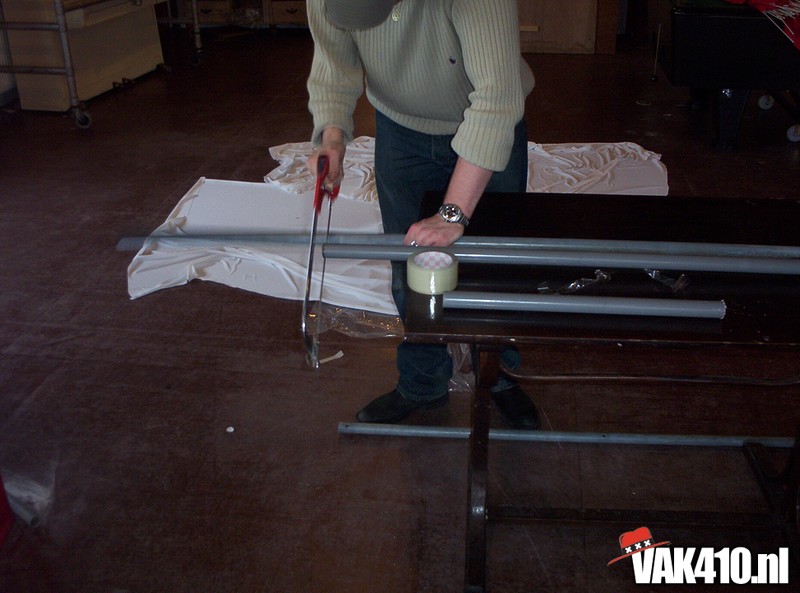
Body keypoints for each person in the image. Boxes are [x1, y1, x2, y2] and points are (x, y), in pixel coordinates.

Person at [306, 0, 539, 429]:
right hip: (399, 130)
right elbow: (333, 62)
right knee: (410, 267)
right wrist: (332, 137)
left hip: (484, 119)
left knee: (496, 267)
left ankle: (499, 375)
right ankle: (422, 381)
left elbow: (497, 100)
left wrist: (452, 214)